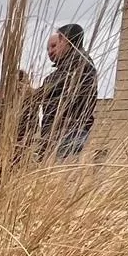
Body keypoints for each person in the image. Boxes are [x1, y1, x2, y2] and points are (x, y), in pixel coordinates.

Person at [38, 23, 99, 161]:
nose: (50, 51)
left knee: (62, 176)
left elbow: (55, 87)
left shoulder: (78, 64)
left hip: (68, 133)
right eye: (48, 48)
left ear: (65, 40)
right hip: (63, 133)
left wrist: (32, 93)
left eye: (54, 45)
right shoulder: (70, 66)